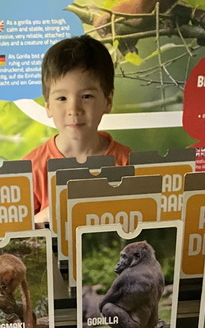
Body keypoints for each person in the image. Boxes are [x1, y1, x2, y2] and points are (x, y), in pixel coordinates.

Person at [24, 34, 131, 224]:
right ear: (48, 106)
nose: (74, 110)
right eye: (62, 99)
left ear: (108, 101)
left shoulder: (129, 163)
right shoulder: (29, 169)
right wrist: (43, 219)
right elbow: (16, 239)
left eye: (87, 96)